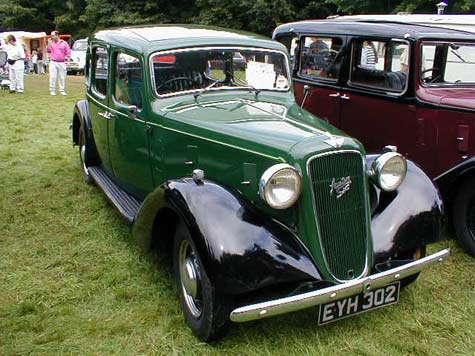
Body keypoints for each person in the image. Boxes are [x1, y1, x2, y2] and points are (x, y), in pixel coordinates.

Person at [46, 30, 71, 96]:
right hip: (53, 62)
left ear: (57, 35)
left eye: (53, 35)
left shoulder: (64, 43)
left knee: (62, 77)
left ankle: (62, 90)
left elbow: (68, 52)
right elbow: (48, 50)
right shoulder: (51, 43)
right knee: (53, 77)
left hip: (62, 62)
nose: (52, 37)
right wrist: (49, 43)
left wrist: (68, 62)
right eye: (51, 36)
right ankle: (52, 90)